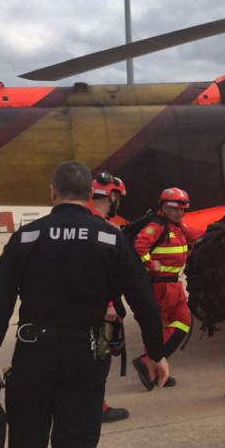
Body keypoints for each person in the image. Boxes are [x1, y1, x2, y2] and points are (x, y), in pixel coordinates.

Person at [0, 161, 168, 448]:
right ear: (91, 195)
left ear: (52, 192)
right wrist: (156, 353)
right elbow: (144, 303)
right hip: (84, 356)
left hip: (32, 355)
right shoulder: (111, 239)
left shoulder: (26, 237)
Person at [131, 187, 202, 389]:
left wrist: (215, 231)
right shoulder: (158, 225)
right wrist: (150, 263)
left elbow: (194, 233)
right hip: (160, 285)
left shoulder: (178, 225)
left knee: (183, 323)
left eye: (183, 209)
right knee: (157, 328)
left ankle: (150, 362)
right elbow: (140, 245)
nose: (179, 213)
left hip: (175, 284)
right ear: (164, 207)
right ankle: (153, 368)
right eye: (175, 208)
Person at [88, 172, 130, 424]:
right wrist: (110, 306)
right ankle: (98, 408)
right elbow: (96, 273)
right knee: (99, 358)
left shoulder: (87, 224)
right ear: (112, 196)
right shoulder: (101, 229)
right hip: (98, 309)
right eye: (119, 198)